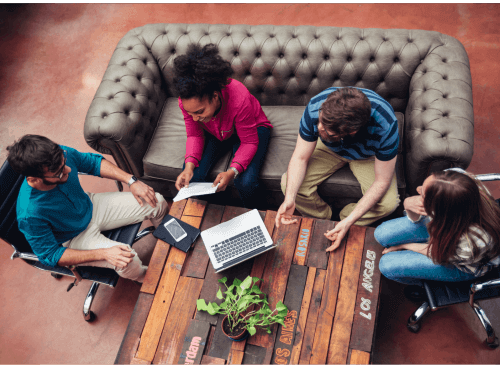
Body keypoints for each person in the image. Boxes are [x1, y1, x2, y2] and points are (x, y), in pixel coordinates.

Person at [7, 134, 169, 283]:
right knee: (126, 258)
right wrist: (104, 253)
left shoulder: (58, 156)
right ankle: (147, 279)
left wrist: (131, 181)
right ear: (34, 180)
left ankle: (167, 241)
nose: (68, 170)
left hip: (91, 205)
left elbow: (92, 163)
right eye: (59, 173)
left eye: (64, 164)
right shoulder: (29, 214)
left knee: (157, 202)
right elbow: (50, 255)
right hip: (73, 237)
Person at [276, 87, 400, 251]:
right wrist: (289, 198)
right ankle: (322, 218)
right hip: (329, 149)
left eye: (326, 129)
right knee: (288, 184)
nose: (319, 127)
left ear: (352, 131)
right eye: (321, 120)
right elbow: (300, 157)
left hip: (368, 156)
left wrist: (349, 220)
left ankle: (342, 221)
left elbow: (382, 181)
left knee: (388, 203)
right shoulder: (316, 107)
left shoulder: (386, 126)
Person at [173, 43, 273, 208]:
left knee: (245, 182)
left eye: (199, 112)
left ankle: (257, 216)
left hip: (253, 130)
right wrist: (189, 166)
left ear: (215, 96)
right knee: (193, 178)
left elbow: (249, 142)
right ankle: (214, 213)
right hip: (215, 132)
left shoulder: (239, 98)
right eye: (191, 114)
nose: (195, 118)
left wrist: (232, 171)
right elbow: (194, 135)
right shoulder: (188, 103)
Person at [374, 168, 500, 291]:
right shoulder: (453, 178)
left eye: (422, 194)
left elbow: (439, 254)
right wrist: (408, 204)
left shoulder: (473, 241)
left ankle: (426, 284)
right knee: (381, 234)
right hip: (444, 227)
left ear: (440, 209)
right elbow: (416, 217)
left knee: (387, 265)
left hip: (460, 263)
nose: (418, 190)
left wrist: (405, 245)